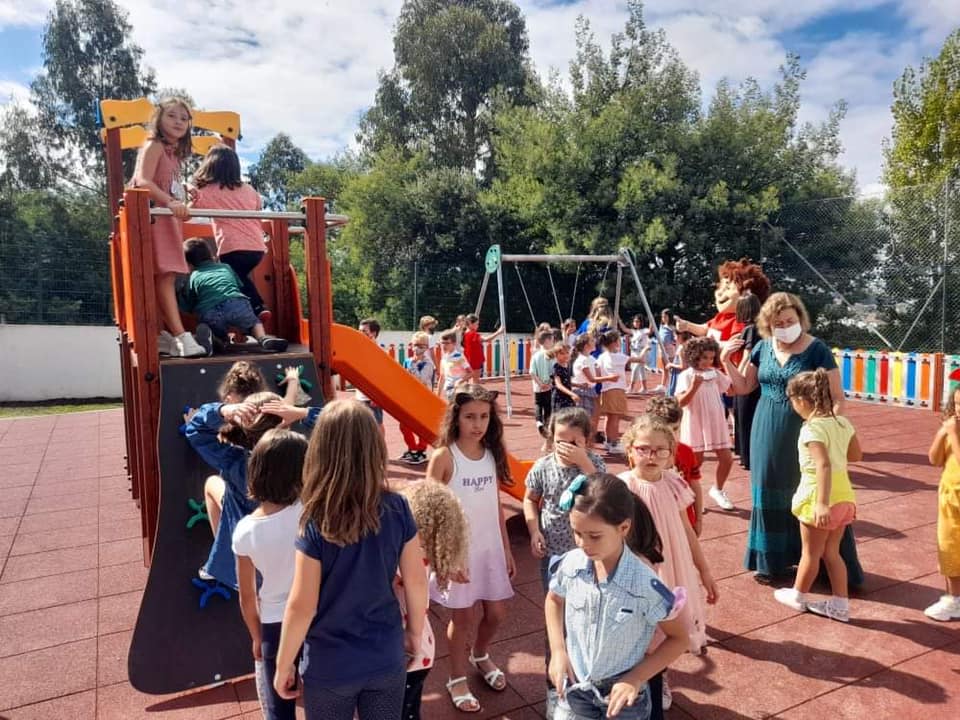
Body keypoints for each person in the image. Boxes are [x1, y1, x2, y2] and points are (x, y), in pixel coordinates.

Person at [273, 400, 428, 719]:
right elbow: (415, 579)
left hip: (331, 664)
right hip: (385, 654)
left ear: (319, 452)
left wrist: (284, 662)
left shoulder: (315, 519)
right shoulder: (397, 508)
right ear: (376, 448)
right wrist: (414, 630)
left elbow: (302, 605)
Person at [721, 291, 863, 585]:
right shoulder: (762, 348)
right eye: (778, 322)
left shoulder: (817, 350)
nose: (785, 326)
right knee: (768, 487)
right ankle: (772, 560)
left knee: (810, 490)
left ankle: (821, 562)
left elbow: (837, 398)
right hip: (764, 428)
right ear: (768, 325)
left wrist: (829, 429)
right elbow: (745, 386)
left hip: (807, 432)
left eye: (789, 320)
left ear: (800, 318)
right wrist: (726, 360)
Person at [545, 473, 689, 720]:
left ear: (624, 527)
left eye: (594, 536)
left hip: (624, 698)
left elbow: (679, 638)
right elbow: (554, 599)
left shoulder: (645, 584)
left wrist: (635, 678)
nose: (582, 543)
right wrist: (558, 651)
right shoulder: (571, 564)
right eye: (577, 532)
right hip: (577, 686)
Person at [426, 384, 516, 713]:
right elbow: (429, 509)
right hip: (458, 551)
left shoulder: (491, 453)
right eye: (470, 417)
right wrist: (442, 557)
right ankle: (456, 677)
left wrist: (505, 548)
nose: (477, 424)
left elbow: (494, 503)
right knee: (462, 618)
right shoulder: (445, 456)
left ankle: (480, 653)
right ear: (456, 417)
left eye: (484, 417)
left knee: (496, 613)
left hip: (489, 546)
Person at [619, 415, 718, 711]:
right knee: (638, 627)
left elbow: (685, 530)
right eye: (643, 449)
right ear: (630, 451)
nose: (651, 456)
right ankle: (633, 678)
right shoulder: (624, 486)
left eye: (660, 450)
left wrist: (705, 571)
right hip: (638, 565)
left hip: (671, 564)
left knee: (668, 626)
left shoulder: (673, 482)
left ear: (671, 454)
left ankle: (659, 678)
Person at [523, 407, 604, 718]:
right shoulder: (543, 467)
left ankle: (588, 680)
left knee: (589, 617)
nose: (567, 447)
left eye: (575, 442)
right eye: (561, 440)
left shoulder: (593, 464)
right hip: (555, 557)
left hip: (589, 556)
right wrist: (533, 531)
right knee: (556, 621)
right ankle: (554, 685)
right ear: (550, 438)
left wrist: (585, 463)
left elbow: (606, 493)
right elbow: (530, 498)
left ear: (587, 441)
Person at [772, 370, 861, 623]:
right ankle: (840, 604)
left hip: (819, 498)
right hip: (845, 498)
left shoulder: (811, 428)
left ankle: (798, 595)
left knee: (810, 553)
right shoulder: (843, 422)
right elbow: (855, 455)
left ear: (801, 400)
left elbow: (823, 466)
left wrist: (821, 503)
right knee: (832, 552)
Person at [232, 429, 308, 720]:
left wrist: (255, 636)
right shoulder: (310, 514)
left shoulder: (245, 531)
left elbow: (247, 596)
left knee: (279, 703)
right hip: (317, 614)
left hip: (274, 623)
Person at [130, 96, 207, 358]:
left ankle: (161, 335)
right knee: (164, 275)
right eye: (172, 116)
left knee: (166, 276)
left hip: (165, 216)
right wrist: (171, 201)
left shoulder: (175, 155)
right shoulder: (154, 145)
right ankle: (181, 335)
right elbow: (142, 181)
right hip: (152, 217)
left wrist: (184, 193)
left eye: (184, 119)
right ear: (159, 119)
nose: (178, 122)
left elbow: (165, 184)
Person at [183, 391, 284, 589]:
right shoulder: (299, 458)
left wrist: (222, 411)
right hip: (283, 545)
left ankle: (222, 555)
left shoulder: (234, 460)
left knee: (213, 483)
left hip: (246, 537)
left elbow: (196, 431)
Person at [396, 481, 470, 720]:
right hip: (421, 650)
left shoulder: (404, 553)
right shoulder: (427, 552)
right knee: (408, 710)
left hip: (404, 647)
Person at [189, 144, 269, 324]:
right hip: (257, 248)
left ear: (210, 165)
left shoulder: (208, 191)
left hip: (232, 247)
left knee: (233, 278)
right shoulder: (249, 190)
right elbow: (258, 209)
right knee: (238, 277)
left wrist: (189, 195)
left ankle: (256, 308)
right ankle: (251, 314)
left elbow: (188, 214)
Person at [181, 239, 288, 354]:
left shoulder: (194, 276)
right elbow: (239, 285)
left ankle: (215, 339)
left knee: (211, 326)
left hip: (209, 312)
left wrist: (182, 299)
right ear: (212, 256)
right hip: (236, 304)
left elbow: (190, 303)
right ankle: (263, 338)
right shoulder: (226, 267)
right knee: (253, 322)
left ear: (190, 265)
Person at [675, 337, 735, 511]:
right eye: (704, 358)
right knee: (695, 463)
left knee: (727, 459)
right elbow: (680, 402)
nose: (708, 361)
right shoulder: (685, 376)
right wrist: (694, 386)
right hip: (695, 422)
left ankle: (717, 489)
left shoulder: (715, 373)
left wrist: (731, 365)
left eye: (711, 358)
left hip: (716, 422)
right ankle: (687, 495)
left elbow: (731, 390)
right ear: (694, 356)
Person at [923, 385, 960, 621]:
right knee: (948, 547)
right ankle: (953, 597)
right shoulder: (953, 427)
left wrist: (953, 435)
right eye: (957, 404)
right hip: (950, 499)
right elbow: (934, 459)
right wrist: (943, 433)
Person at [645, 395, 704, 536]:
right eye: (665, 431)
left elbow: (695, 484)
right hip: (656, 523)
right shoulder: (645, 456)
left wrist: (699, 519)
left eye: (676, 429)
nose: (672, 435)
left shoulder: (686, 452)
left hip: (684, 523)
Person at [733, 293, 762, 469]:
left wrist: (737, 379)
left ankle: (747, 457)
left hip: (748, 379)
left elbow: (747, 357)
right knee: (749, 419)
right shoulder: (762, 328)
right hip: (758, 381)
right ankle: (747, 456)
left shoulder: (751, 329)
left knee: (745, 419)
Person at [573, 334, 617, 445]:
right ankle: (581, 444)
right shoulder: (582, 360)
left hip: (590, 391)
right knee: (583, 419)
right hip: (582, 392)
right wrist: (609, 378)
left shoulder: (591, 358)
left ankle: (586, 443)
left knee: (590, 417)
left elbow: (598, 371)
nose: (595, 342)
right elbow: (591, 379)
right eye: (592, 341)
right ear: (586, 345)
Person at [400, 331, 435, 465]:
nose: (417, 348)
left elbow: (421, 379)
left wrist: (414, 365)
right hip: (409, 397)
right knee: (404, 425)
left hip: (423, 398)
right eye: (415, 345)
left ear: (426, 347)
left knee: (421, 425)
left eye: (421, 345)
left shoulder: (428, 364)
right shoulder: (407, 360)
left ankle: (421, 450)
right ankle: (412, 448)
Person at [597, 330, 632, 454]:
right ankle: (614, 443)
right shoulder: (619, 356)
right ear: (614, 343)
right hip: (616, 389)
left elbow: (597, 370)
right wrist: (645, 350)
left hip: (606, 389)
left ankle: (608, 441)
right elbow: (637, 359)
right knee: (615, 418)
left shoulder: (601, 356)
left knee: (609, 417)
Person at [357, 318, 385, 434]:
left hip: (371, 396)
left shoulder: (378, 351)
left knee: (376, 424)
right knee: (363, 425)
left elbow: (382, 376)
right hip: (361, 395)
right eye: (359, 331)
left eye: (364, 331)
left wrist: (376, 395)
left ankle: (380, 449)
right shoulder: (361, 350)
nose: (360, 333)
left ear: (373, 333)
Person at [530, 329, 557, 441]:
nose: (553, 342)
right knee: (548, 407)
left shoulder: (535, 356)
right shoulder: (551, 356)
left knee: (538, 404)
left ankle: (538, 422)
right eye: (552, 340)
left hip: (538, 387)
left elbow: (532, 372)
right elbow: (554, 371)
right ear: (546, 341)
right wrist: (549, 383)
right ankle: (546, 427)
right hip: (549, 386)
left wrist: (540, 384)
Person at [463, 314, 504, 383]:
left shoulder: (464, 334)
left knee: (467, 379)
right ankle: (473, 392)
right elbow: (486, 339)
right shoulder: (473, 334)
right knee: (475, 380)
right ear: (470, 324)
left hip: (467, 359)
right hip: (475, 359)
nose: (478, 326)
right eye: (476, 324)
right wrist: (498, 332)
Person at [436, 328, 473, 400]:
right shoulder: (443, 358)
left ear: (454, 343)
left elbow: (471, 373)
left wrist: (460, 381)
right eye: (442, 343)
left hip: (460, 391)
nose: (444, 346)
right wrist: (438, 395)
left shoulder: (459, 356)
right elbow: (442, 377)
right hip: (448, 391)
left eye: (447, 343)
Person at [551, 344, 578, 413]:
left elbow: (566, 382)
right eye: (562, 353)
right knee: (560, 419)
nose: (566, 355)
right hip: (560, 398)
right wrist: (572, 394)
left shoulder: (567, 366)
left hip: (567, 397)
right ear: (556, 355)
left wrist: (579, 385)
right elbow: (559, 385)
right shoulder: (556, 367)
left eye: (567, 352)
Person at [628, 316, 652, 395]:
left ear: (641, 322)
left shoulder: (644, 330)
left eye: (638, 321)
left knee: (635, 369)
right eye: (635, 321)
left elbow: (650, 331)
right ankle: (645, 388)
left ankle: (631, 387)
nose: (636, 323)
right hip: (634, 353)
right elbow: (624, 329)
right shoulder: (634, 331)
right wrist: (619, 320)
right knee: (642, 371)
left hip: (641, 353)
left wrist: (651, 321)